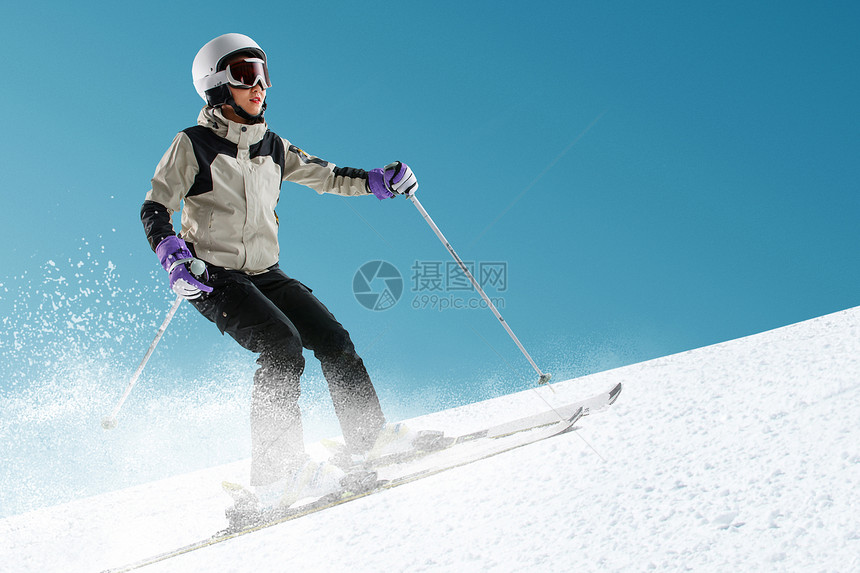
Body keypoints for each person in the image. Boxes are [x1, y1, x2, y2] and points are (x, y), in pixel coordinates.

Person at [141, 33, 419, 509]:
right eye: (246, 75)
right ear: (216, 86)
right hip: (210, 274)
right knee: (282, 347)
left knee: (332, 338)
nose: (259, 86)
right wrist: (172, 257)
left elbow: (327, 174)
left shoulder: (272, 145)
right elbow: (155, 206)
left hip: (264, 271)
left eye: (263, 75)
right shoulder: (193, 144)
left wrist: (378, 181)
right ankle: (275, 475)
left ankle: (367, 438)